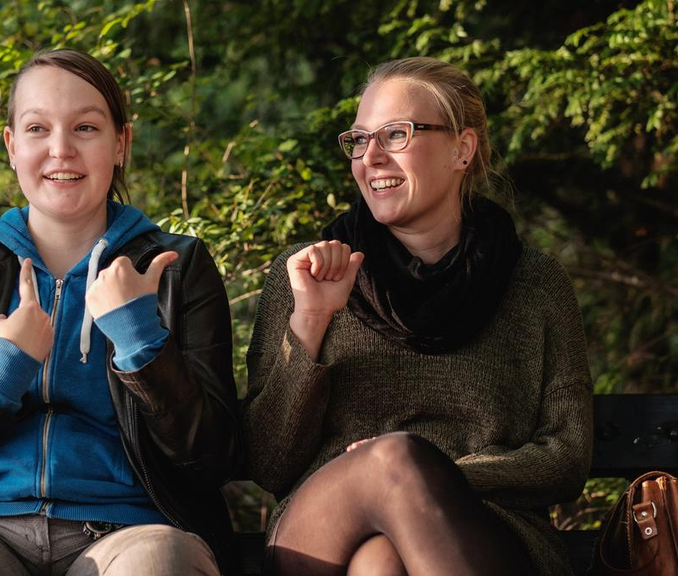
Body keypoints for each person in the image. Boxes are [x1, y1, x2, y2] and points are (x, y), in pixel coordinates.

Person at [0, 49, 241, 576]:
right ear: (11, 146)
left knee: (162, 562)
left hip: (130, 531)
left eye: (85, 127)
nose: (61, 150)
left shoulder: (175, 267)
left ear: (120, 143)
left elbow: (213, 458)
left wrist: (142, 342)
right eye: (37, 128)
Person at [242, 56, 593, 576]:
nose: (371, 158)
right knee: (392, 466)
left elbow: (567, 454)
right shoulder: (306, 275)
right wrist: (311, 322)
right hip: (321, 530)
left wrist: (432, 475)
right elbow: (269, 462)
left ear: (463, 149)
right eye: (360, 141)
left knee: (381, 559)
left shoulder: (534, 284)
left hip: (487, 527)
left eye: (397, 135)